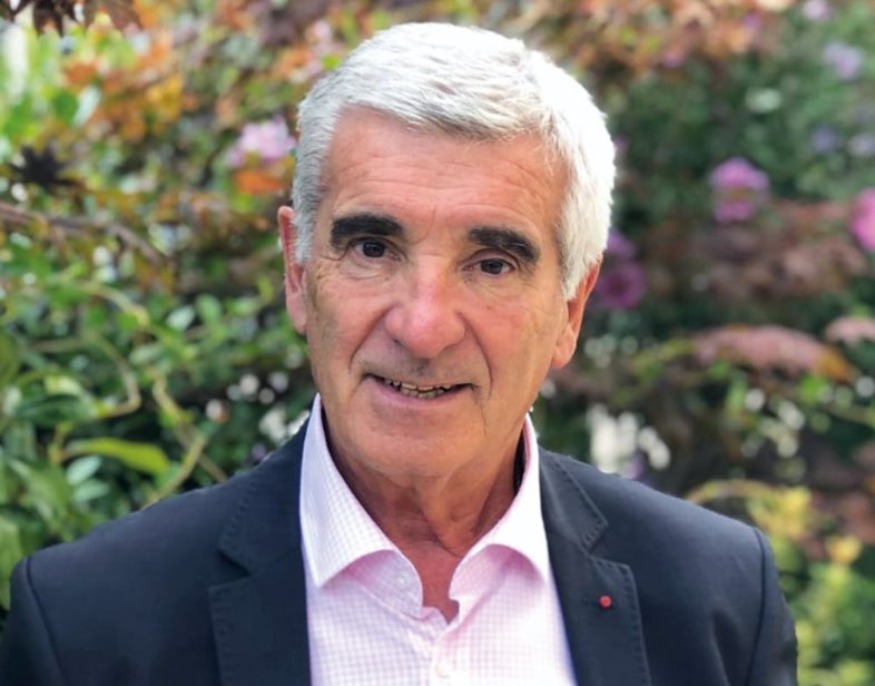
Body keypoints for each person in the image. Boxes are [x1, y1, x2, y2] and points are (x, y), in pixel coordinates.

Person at [0, 22, 796, 686]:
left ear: (570, 308)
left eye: (491, 265)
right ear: (298, 271)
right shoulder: (91, 625)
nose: (422, 328)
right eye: (373, 248)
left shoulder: (716, 600)